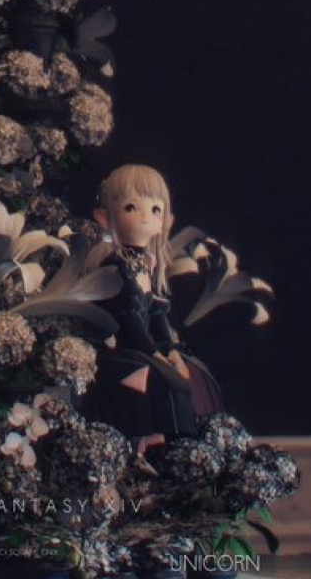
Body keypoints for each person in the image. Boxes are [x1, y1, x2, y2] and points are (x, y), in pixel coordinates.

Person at [85, 163, 223, 453]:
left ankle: (187, 442)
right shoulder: (115, 267)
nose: (146, 216)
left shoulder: (147, 266)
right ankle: (151, 440)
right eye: (131, 207)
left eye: (155, 209)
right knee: (158, 379)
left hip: (143, 349)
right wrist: (156, 355)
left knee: (193, 372)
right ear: (104, 217)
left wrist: (170, 349)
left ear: (166, 221)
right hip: (119, 354)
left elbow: (156, 315)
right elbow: (130, 323)